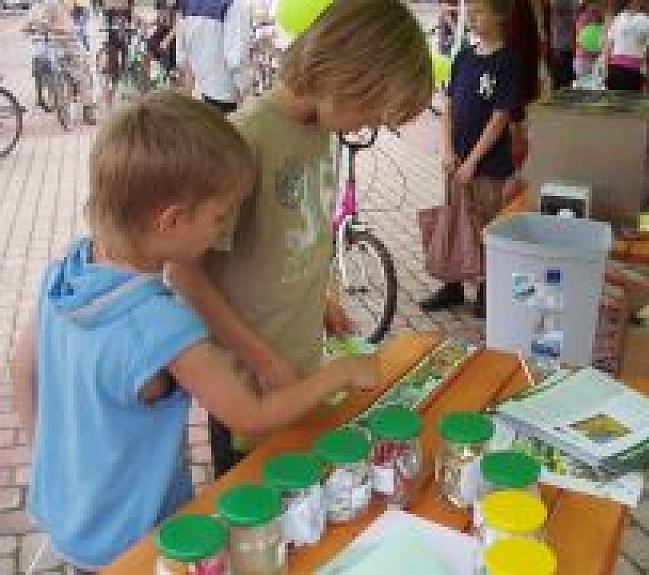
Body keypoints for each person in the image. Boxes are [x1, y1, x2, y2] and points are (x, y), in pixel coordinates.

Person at [11, 91, 378, 571]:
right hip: (136, 536)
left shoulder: (67, 272)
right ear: (171, 220)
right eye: (220, 217)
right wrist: (343, 372)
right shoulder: (160, 322)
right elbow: (250, 413)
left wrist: (50, 463)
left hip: (66, 515)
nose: (222, 232)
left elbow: (22, 368)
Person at [168, 0, 433, 477]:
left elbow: (301, 230)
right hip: (249, 384)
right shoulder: (246, 141)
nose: (367, 127)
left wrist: (325, 295)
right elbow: (185, 276)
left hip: (299, 366)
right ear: (343, 75)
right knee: (259, 505)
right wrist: (263, 360)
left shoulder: (318, 132)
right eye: (371, 110)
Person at [419, 0, 526, 319]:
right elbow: (449, 106)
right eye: (472, 12)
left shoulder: (507, 62)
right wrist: (447, 149)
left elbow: (499, 119)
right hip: (454, 161)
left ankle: (486, 290)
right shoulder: (464, 56)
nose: (473, 19)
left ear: (499, 15)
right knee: (453, 221)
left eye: (479, 12)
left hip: (488, 165)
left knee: (486, 225)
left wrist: (472, 162)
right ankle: (452, 284)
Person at [176, 0, 252, 113]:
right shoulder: (233, 5)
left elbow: (181, 52)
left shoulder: (187, 4)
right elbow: (236, 59)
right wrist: (245, 92)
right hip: (224, 93)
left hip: (200, 89)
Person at [602, 0, 649, 90]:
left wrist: (605, 70)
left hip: (615, 69)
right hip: (634, 71)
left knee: (614, 101)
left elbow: (608, 48)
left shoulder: (618, 19)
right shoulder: (648, 22)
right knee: (631, 102)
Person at [548, 0, 579, 88]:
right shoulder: (573, 4)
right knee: (565, 79)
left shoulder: (555, 4)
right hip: (566, 46)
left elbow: (553, 25)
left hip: (561, 46)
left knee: (559, 79)